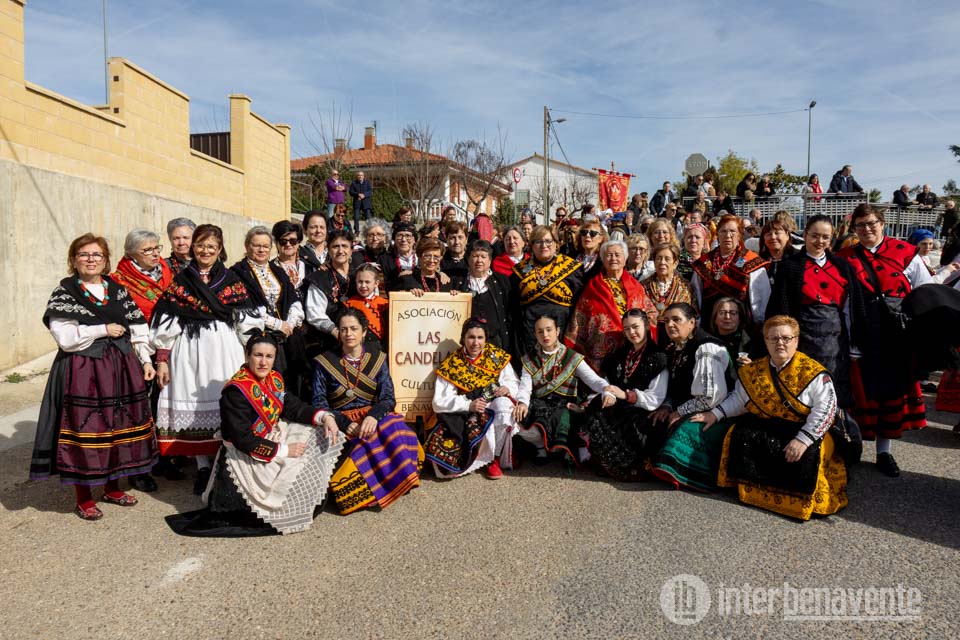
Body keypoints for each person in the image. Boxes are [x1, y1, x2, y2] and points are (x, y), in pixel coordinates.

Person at [32, 234, 158, 520]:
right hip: (83, 370)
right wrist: (103, 329)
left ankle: (113, 488)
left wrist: (146, 360)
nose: (91, 259)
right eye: (84, 254)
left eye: (97, 255)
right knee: (87, 431)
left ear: (105, 260)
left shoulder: (117, 289)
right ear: (74, 259)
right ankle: (84, 497)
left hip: (122, 368)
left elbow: (138, 326)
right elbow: (66, 338)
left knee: (117, 427)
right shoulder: (65, 292)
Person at [170, 333, 343, 536]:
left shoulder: (274, 378)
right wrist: (285, 450)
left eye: (269, 356)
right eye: (258, 355)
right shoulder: (235, 392)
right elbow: (242, 439)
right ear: (247, 356)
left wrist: (323, 417)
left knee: (318, 433)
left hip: (270, 436)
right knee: (279, 483)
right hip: (245, 453)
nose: (263, 362)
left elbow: (292, 406)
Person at [696, 316, 848, 521]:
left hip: (808, 430)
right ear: (765, 341)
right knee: (740, 434)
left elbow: (826, 411)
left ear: (796, 340)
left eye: (786, 338)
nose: (780, 343)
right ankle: (753, 492)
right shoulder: (754, 371)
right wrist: (714, 414)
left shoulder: (815, 374)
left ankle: (798, 502)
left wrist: (803, 440)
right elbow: (739, 400)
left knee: (810, 452)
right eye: (773, 338)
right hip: (772, 425)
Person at [151, 224, 264, 494]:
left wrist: (254, 354)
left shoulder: (231, 281)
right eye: (200, 245)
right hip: (189, 353)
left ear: (220, 249)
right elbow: (167, 325)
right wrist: (163, 360)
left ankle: (224, 466)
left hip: (225, 351)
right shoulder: (182, 281)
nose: (205, 250)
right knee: (193, 405)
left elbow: (245, 322)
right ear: (193, 248)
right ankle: (202, 467)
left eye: (211, 246)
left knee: (224, 402)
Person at [837, 204, 932, 476]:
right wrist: (850, 338)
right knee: (859, 393)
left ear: (882, 223)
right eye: (860, 225)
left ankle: (884, 452)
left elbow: (924, 293)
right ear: (853, 229)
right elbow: (842, 300)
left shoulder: (905, 253)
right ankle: (851, 447)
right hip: (861, 332)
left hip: (896, 334)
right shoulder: (844, 257)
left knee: (889, 393)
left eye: (871, 223)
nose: (866, 229)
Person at [313, 309, 423, 514]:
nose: (348, 334)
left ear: (364, 332)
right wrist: (345, 424)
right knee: (354, 444)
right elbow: (318, 401)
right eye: (344, 329)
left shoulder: (378, 359)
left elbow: (388, 397)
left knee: (393, 427)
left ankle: (395, 481)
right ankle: (368, 493)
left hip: (372, 414)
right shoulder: (324, 362)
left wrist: (373, 416)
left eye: (354, 328)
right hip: (340, 418)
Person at [767, 215, 862, 409]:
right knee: (803, 390)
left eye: (825, 237)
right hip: (802, 338)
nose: (820, 242)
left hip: (836, 341)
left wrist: (855, 341)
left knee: (834, 392)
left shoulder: (842, 267)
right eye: (815, 236)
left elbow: (850, 308)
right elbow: (781, 308)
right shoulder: (790, 266)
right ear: (805, 234)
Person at [110, 228, 175, 490]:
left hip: (166, 349)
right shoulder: (119, 281)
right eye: (147, 250)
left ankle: (160, 456)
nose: (155, 253)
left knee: (161, 404)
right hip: (136, 351)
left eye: (157, 247)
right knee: (137, 409)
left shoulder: (166, 272)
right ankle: (137, 467)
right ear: (131, 254)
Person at [650, 303, 731, 491]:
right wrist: (668, 406)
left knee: (687, 428)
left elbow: (711, 397)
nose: (670, 325)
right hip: (694, 405)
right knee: (654, 419)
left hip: (721, 410)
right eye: (666, 321)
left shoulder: (706, 348)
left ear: (692, 322)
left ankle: (692, 476)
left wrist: (680, 411)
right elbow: (677, 387)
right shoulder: (677, 348)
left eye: (676, 319)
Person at [426, 317, 520, 479]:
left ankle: (495, 458)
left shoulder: (496, 356)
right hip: (468, 412)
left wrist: (508, 388)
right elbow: (439, 401)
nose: (475, 343)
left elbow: (513, 381)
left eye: (480, 337)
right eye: (471, 337)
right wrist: (468, 405)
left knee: (505, 407)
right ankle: (485, 459)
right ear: (463, 338)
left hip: (493, 406)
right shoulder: (453, 363)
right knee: (445, 467)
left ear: (485, 338)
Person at [514, 313, 613, 467]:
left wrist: (606, 389)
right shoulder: (529, 360)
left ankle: (564, 449)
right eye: (540, 331)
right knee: (516, 418)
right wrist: (522, 403)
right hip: (540, 404)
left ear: (557, 331)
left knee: (565, 417)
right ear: (535, 334)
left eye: (549, 330)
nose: (545, 335)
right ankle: (541, 447)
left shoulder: (572, 356)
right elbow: (525, 386)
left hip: (565, 404)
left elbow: (592, 379)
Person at [581, 309, 669, 479]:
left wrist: (626, 395)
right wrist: (611, 394)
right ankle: (604, 462)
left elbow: (655, 398)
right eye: (627, 328)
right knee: (596, 407)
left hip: (643, 410)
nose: (632, 332)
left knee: (629, 423)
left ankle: (627, 467)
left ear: (646, 325)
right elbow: (608, 382)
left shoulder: (658, 358)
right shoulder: (621, 354)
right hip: (620, 405)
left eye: (636, 327)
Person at [230, 226, 306, 393]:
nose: (262, 249)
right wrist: (278, 324)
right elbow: (244, 308)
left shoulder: (277, 271)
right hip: (259, 338)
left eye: (266, 246)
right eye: (257, 245)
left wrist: (290, 324)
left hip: (286, 338)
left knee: (289, 381)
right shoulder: (237, 273)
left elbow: (293, 298)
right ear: (247, 246)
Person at [565, 240, 656, 372]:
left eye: (617, 255)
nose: (613, 258)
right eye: (609, 255)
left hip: (633, 343)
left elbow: (650, 313)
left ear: (625, 259)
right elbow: (580, 319)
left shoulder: (636, 286)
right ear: (602, 259)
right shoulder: (593, 287)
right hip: (601, 347)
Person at [511, 225, 584, 356]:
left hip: (562, 327)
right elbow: (514, 305)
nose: (544, 245)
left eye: (548, 241)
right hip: (530, 331)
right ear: (532, 246)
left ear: (556, 244)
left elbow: (579, 303)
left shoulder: (572, 268)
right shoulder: (519, 271)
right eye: (538, 241)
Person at [691, 214, 771, 330]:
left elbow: (761, 299)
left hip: (743, 327)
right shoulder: (704, 262)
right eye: (723, 231)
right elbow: (696, 295)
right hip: (710, 326)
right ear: (717, 234)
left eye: (733, 231)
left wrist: (759, 325)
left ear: (739, 234)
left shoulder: (751, 260)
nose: (728, 236)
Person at [304, 229, 354, 357]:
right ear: (328, 249)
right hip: (328, 343)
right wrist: (337, 332)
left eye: (345, 246)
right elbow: (315, 314)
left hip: (358, 343)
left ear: (351, 249)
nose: (340, 251)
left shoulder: (359, 276)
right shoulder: (319, 279)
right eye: (335, 246)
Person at [462, 240, 512, 350]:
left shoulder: (501, 281)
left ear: (490, 260)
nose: (479, 260)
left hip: (495, 342)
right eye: (475, 256)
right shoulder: (459, 283)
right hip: (468, 345)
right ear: (469, 259)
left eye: (483, 257)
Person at [642, 243, 696, 339]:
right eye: (658, 258)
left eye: (667, 259)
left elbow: (692, 314)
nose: (662, 262)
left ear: (675, 263)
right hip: (649, 337)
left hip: (678, 338)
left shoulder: (686, 287)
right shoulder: (643, 286)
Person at [343, 263, 389, 349]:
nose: (363, 286)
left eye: (367, 282)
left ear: (376, 283)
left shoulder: (385, 304)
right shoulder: (348, 305)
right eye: (360, 282)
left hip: (381, 351)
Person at [395, 237, 461, 294]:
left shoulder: (445, 283)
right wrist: (408, 295)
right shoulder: (406, 280)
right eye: (427, 256)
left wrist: (455, 296)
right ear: (419, 256)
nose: (431, 260)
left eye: (436, 257)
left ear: (441, 258)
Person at [709, 296, 752, 369]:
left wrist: (752, 366)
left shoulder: (752, 343)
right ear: (714, 318)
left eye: (733, 313)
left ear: (740, 319)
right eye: (722, 312)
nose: (727, 317)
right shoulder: (708, 343)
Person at [759, 215, 798, 289]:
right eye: (769, 234)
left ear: (787, 236)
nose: (773, 237)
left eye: (777, 233)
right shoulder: (759, 261)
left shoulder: (797, 259)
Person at [379, 221, 418, 288]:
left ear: (414, 240)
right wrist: (399, 278)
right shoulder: (385, 260)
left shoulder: (422, 259)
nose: (403, 239)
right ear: (394, 239)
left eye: (408, 236)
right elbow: (383, 285)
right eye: (400, 235)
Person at [299, 210, 328, 277]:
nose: (318, 231)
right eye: (313, 227)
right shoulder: (300, 254)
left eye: (322, 227)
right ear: (305, 230)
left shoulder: (334, 253)